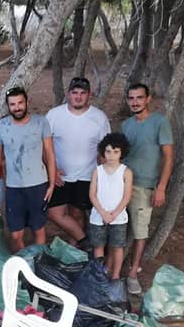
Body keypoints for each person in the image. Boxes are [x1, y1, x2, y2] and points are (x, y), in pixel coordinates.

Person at [0, 86, 56, 251]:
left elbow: (50, 154)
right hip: (14, 188)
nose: (17, 107)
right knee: (16, 234)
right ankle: (21, 267)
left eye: (20, 103)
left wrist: (52, 184)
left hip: (38, 185)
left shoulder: (41, 122)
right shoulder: (2, 126)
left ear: (26, 103)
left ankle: (39, 264)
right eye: (13, 104)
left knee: (38, 229)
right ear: (8, 106)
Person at [45, 76, 111, 248]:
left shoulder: (99, 118)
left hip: (87, 175)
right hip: (60, 175)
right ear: (68, 94)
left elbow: (105, 150)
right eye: (75, 93)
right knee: (54, 213)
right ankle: (86, 241)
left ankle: (75, 252)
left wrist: (105, 177)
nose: (78, 96)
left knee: (77, 213)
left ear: (89, 95)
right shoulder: (54, 115)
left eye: (83, 93)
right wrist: (51, 170)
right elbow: (44, 146)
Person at [121, 82, 174, 295]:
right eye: (131, 98)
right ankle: (113, 269)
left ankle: (133, 273)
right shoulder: (126, 125)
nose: (135, 102)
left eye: (139, 98)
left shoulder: (160, 123)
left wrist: (161, 187)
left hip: (145, 186)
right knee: (118, 227)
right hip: (123, 184)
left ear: (148, 99)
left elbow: (168, 157)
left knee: (139, 231)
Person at [88, 133, 134, 281]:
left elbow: (126, 196)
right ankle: (100, 275)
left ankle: (115, 276)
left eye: (116, 152)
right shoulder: (98, 171)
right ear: (103, 152)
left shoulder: (126, 172)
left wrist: (113, 214)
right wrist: (103, 213)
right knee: (98, 246)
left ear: (122, 153)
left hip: (119, 217)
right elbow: (92, 195)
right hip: (98, 216)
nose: (111, 155)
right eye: (108, 151)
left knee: (117, 247)